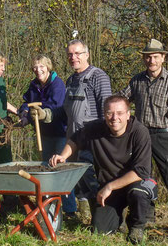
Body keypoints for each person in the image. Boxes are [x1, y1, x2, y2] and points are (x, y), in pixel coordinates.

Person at [49, 95, 157, 244]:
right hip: (110, 188)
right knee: (100, 230)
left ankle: (137, 226)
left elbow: (141, 171)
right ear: (104, 114)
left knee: (138, 193)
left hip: (137, 183)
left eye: (119, 113)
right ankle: (119, 219)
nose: (114, 118)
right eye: (109, 113)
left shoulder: (140, 132)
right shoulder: (96, 128)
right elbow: (75, 139)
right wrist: (63, 156)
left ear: (128, 114)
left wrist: (109, 187)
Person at [31, 39, 112, 220]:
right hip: (74, 139)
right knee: (79, 181)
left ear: (87, 55)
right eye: (70, 54)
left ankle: (105, 220)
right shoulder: (71, 79)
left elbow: (108, 110)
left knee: (93, 181)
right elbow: (65, 110)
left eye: (77, 54)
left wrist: (104, 139)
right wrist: (46, 114)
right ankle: (86, 218)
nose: (73, 58)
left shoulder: (98, 77)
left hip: (94, 140)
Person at [119, 39, 168, 230]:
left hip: (162, 135)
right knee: (144, 177)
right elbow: (122, 99)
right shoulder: (137, 80)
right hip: (140, 135)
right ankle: (147, 216)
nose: (151, 60)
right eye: (148, 57)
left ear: (163, 58)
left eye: (155, 57)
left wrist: (163, 123)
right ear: (144, 59)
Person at [17, 55, 77, 215]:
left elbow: (56, 106)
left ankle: (70, 209)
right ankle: (48, 203)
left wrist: (38, 113)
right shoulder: (34, 85)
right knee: (45, 168)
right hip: (42, 134)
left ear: (48, 67)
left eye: (41, 66)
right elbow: (26, 101)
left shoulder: (57, 84)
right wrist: (24, 113)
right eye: (35, 67)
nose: (38, 70)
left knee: (60, 169)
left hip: (59, 133)